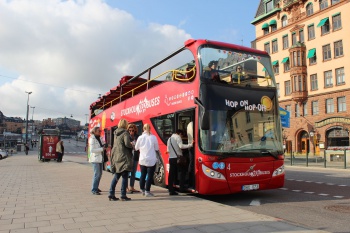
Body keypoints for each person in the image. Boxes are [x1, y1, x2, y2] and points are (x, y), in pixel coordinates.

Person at [108, 119, 133, 201]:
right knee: (125, 177)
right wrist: (132, 145)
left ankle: (111, 194)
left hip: (117, 156)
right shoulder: (125, 133)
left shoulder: (116, 133)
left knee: (116, 175)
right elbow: (126, 144)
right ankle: (123, 195)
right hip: (124, 157)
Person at [135, 123, 159, 197]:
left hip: (142, 159)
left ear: (143, 129)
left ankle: (142, 189)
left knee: (143, 175)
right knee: (149, 176)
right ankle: (147, 191)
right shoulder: (153, 137)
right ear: (150, 128)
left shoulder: (140, 137)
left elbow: (136, 148)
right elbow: (157, 148)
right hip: (151, 159)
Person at [167, 129, 193, 195]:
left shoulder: (169, 139)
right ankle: (182, 188)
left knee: (171, 174)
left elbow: (168, 150)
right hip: (178, 159)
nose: (181, 137)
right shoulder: (177, 137)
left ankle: (170, 189)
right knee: (182, 172)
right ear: (180, 133)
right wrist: (190, 145)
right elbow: (181, 146)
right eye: (182, 135)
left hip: (171, 158)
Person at [88, 126, 106, 195]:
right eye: (99, 131)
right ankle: (94, 189)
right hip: (95, 158)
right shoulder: (92, 139)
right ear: (94, 131)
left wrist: (105, 145)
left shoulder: (100, 138)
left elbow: (102, 144)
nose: (100, 132)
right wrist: (102, 149)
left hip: (100, 158)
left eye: (100, 131)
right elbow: (92, 150)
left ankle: (96, 187)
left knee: (100, 174)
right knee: (97, 174)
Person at [127, 123, 140, 193]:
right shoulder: (127, 137)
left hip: (135, 156)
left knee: (133, 173)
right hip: (128, 157)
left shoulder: (137, 137)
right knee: (127, 173)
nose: (131, 132)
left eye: (133, 130)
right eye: (130, 130)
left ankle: (131, 187)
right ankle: (126, 187)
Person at [187, 122, 195, 189]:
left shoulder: (190, 124)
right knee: (192, 164)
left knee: (191, 164)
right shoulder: (192, 124)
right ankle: (191, 182)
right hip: (191, 147)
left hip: (190, 147)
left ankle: (190, 182)